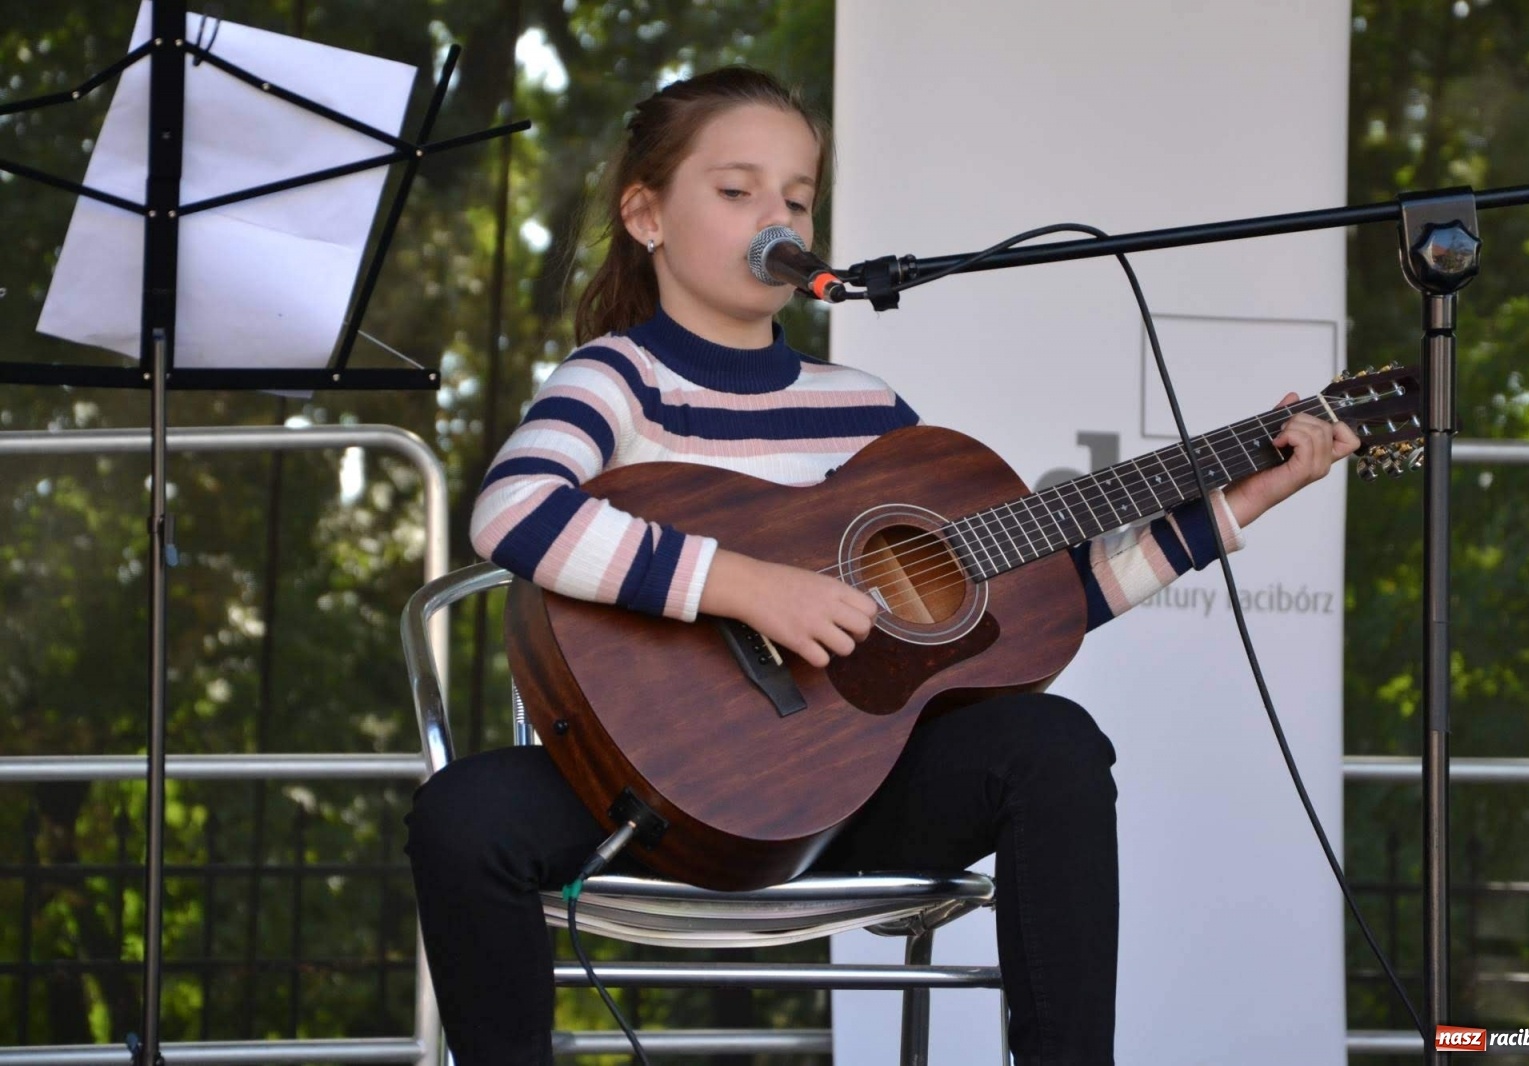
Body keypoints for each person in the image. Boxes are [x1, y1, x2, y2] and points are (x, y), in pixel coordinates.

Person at [405, 66, 1360, 1066]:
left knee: (1052, 742)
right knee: (462, 816)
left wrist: (1234, 503)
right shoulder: (615, 380)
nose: (775, 215)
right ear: (645, 214)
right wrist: (747, 585)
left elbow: (1032, 605)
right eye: (737, 193)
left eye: (798, 199)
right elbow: (513, 511)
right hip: (649, 802)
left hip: (847, 803)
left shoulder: (863, 408)